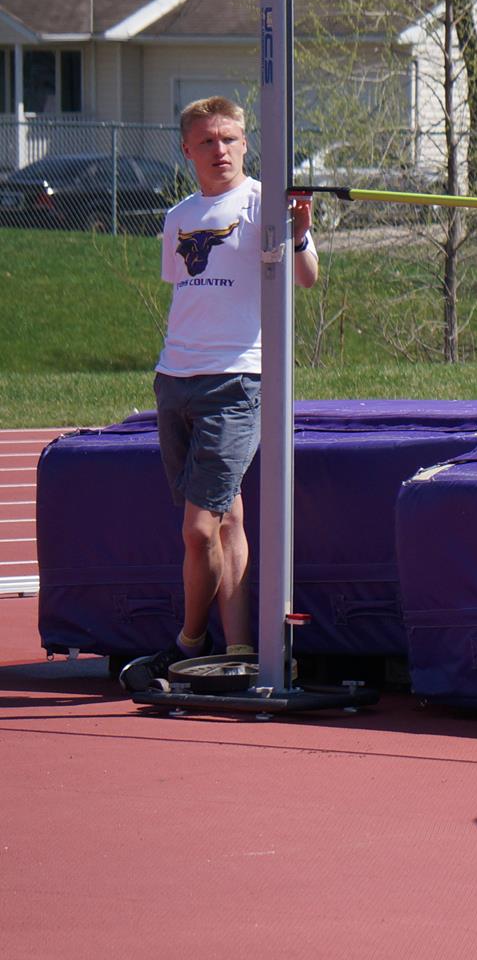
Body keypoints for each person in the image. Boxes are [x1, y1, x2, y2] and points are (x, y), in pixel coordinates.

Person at [119, 96, 318, 690]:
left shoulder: (263, 202)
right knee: (226, 518)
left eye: (230, 139)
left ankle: (185, 643)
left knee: (198, 528)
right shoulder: (179, 216)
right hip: (174, 379)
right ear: (187, 149)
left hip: (236, 381)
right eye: (207, 141)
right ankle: (237, 650)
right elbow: (189, 294)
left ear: (245, 143)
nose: (220, 150)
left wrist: (302, 234)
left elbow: (305, 277)